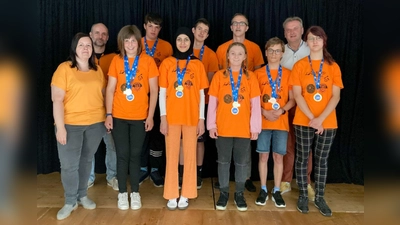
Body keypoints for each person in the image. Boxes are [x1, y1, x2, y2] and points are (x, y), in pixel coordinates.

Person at [51, 32, 106, 220]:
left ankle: (82, 196)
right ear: (74, 48)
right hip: (70, 125)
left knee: (86, 161)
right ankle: (70, 201)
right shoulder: (64, 69)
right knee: (69, 166)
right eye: (82, 45)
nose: (86, 48)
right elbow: (57, 100)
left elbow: (104, 95)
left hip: (95, 124)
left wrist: (107, 117)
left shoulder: (97, 70)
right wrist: (60, 127)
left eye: (88, 45)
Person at [291, 25, 343, 216]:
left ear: (324, 41)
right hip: (304, 120)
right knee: (303, 159)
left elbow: (335, 97)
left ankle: (319, 197)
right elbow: (297, 95)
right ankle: (303, 195)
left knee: (321, 161)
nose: (314, 42)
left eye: (318, 38)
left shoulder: (333, 66)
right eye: (311, 39)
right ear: (306, 42)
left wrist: (320, 119)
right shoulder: (300, 66)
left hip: (327, 123)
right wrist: (313, 119)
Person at [105, 25, 159, 210]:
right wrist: (109, 114)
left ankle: (134, 192)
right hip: (119, 116)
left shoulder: (148, 61)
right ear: (122, 43)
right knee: (122, 155)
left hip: (139, 117)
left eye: (133, 40)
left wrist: (150, 116)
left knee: (135, 155)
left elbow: (154, 90)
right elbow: (110, 89)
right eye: (126, 41)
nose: (129, 44)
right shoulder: (116, 61)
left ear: (138, 42)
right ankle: (122, 193)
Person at [158, 27, 209, 210]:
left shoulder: (197, 64)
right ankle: (171, 193)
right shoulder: (167, 63)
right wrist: (162, 118)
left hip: (191, 117)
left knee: (190, 156)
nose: (182, 43)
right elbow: (162, 92)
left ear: (190, 41)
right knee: (171, 156)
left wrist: (202, 119)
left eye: (186, 39)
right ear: (175, 41)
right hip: (171, 117)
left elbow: (202, 94)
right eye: (179, 39)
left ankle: (186, 193)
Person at [207, 42, 261, 211]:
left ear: (245, 57)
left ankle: (239, 194)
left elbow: (255, 105)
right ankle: (224, 193)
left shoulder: (251, 77)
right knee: (223, 162)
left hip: (244, 129)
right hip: (223, 127)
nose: (236, 57)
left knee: (242, 163)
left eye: (240, 54)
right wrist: (211, 125)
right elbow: (212, 104)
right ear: (227, 56)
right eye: (233, 53)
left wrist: (255, 128)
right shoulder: (219, 76)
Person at [215, 13, 264, 192]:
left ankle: (246, 178)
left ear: (247, 27)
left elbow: (258, 73)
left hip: (246, 98)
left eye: (241, 23)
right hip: (227, 99)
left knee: (244, 147)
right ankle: (224, 180)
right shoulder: (221, 48)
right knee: (224, 146)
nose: (238, 26)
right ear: (230, 27)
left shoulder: (255, 48)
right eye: (235, 23)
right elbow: (221, 74)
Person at [178, 18, 219, 190]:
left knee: (199, 139)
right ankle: (182, 173)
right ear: (193, 30)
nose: (201, 32)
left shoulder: (210, 54)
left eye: (205, 31)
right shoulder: (182, 49)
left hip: (203, 102)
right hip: (182, 103)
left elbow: (208, 82)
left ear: (208, 35)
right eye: (199, 29)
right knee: (181, 140)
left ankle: (198, 172)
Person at [254, 37, 295, 208]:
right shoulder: (258, 74)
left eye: (277, 50)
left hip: (281, 122)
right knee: (263, 155)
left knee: (278, 157)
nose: (273, 54)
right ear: (265, 52)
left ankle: (277, 190)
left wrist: (281, 110)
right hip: (263, 121)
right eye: (270, 50)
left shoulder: (288, 74)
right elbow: (253, 100)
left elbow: (293, 99)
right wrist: (264, 111)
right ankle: (263, 188)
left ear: (282, 54)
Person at [280, 16, 315, 201]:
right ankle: (285, 180)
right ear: (284, 33)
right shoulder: (280, 51)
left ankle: (306, 182)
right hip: (286, 104)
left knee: (305, 145)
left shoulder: (312, 49)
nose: (291, 32)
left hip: (306, 105)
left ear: (302, 31)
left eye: (295, 29)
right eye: (288, 30)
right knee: (287, 144)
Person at [139, 12, 173, 187]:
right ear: (144, 26)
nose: (153, 30)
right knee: (142, 133)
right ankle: (143, 167)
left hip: (161, 96)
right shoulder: (136, 43)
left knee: (158, 135)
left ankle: (155, 169)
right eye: (150, 26)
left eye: (157, 27)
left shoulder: (167, 47)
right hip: (140, 95)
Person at [87, 22, 118, 191]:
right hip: (89, 111)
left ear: (108, 37)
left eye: (104, 34)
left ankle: (112, 176)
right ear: (90, 35)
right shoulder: (82, 56)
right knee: (89, 146)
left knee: (112, 145)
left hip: (110, 111)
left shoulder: (115, 58)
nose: (100, 36)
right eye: (97, 33)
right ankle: (88, 177)